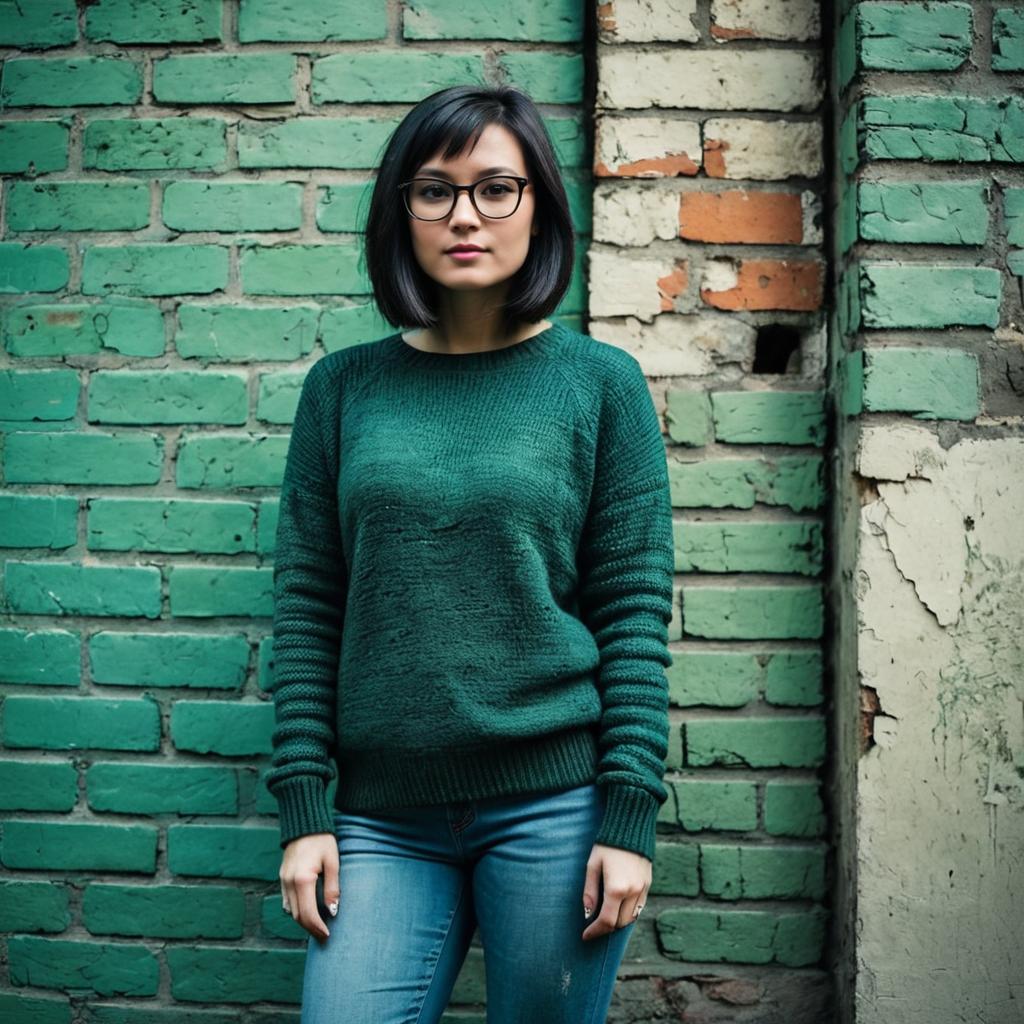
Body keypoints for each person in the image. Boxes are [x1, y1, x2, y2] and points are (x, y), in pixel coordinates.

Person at [266, 84, 675, 1023]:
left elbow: (632, 613)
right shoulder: (343, 388)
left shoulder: (601, 385)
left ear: (540, 207)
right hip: (379, 818)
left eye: (496, 188)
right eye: (434, 190)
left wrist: (628, 816)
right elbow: (307, 607)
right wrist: (305, 811)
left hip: (555, 807)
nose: (464, 215)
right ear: (401, 211)